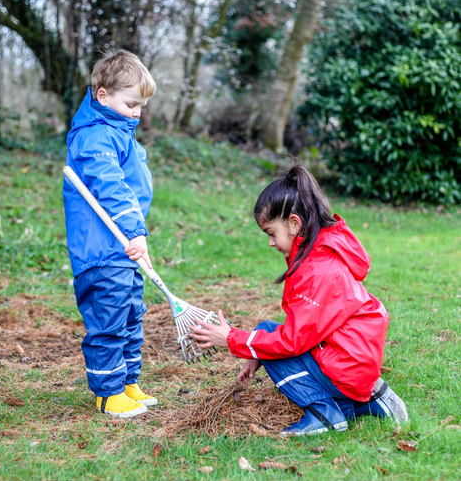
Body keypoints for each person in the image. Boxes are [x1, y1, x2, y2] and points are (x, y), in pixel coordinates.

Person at [190, 165, 408, 436]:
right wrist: (255, 352)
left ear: (294, 223)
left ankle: (325, 412)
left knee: (272, 342)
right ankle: (364, 403)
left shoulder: (315, 270)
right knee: (265, 330)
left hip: (346, 367)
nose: (270, 242)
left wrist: (233, 339)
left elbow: (292, 342)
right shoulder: (321, 249)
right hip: (352, 360)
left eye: (271, 233)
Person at [63, 50, 158, 418]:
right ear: (103, 96)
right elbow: (112, 187)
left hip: (122, 249)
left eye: (141, 106)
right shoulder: (96, 137)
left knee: (132, 314)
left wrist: (134, 236)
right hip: (101, 250)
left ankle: (128, 382)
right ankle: (107, 393)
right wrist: (136, 230)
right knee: (110, 319)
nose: (137, 112)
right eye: (131, 103)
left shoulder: (120, 133)